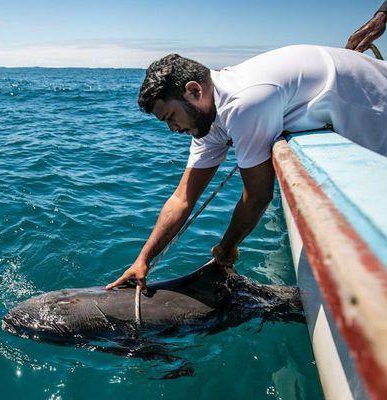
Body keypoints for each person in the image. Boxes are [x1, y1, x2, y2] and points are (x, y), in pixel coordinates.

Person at [106, 45, 387, 291]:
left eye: (171, 117)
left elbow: (258, 196)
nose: (172, 129)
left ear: (193, 91)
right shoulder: (209, 118)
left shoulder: (244, 103)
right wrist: (143, 259)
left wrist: (226, 250)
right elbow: (182, 198)